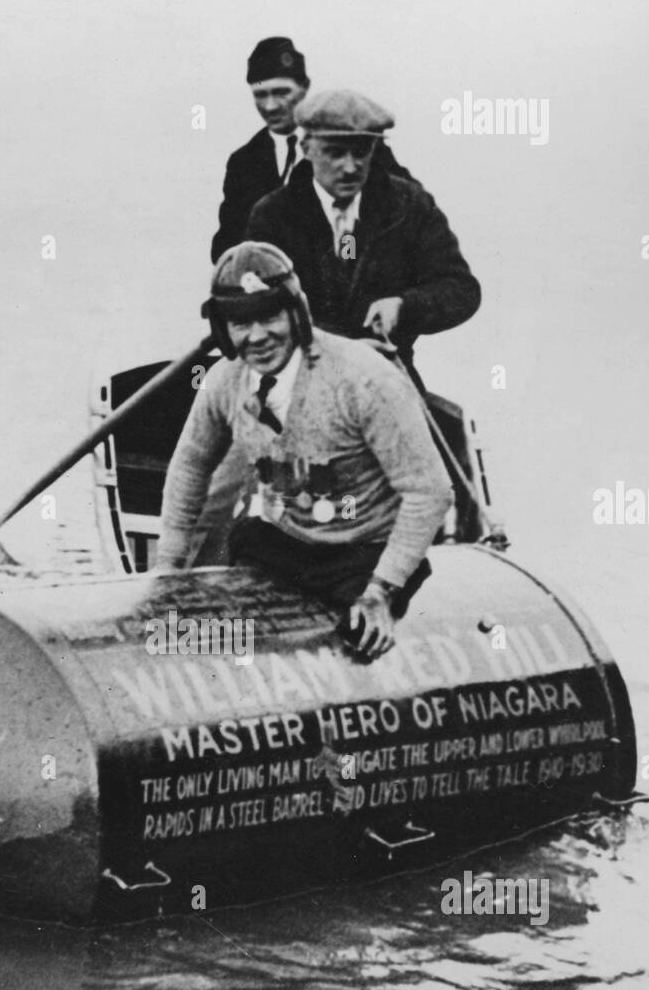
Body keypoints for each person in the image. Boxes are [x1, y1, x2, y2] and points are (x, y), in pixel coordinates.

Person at [158, 242, 453, 660]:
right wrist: (167, 569)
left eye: (270, 316)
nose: (257, 337)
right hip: (287, 543)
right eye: (241, 323)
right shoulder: (225, 382)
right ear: (225, 330)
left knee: (359, 642)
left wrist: (380, 591)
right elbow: (190, 465)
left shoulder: (363, 379)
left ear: (298, 314)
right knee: (230, 606)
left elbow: (430, 491)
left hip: (363, 554)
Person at [245, 90, 480, 380]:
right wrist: (344, 350)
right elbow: (260, 309)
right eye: (335, 152)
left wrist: (404, 305)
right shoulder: (272, 215)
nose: (350, 167)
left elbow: (461, 289)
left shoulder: (410, 205)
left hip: (389, 377)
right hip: (304, 379)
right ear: (306, 147)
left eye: (361, 152)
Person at [211, 40, 413, 262]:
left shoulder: (353, 144)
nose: (270, 106)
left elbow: (407, 208)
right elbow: (227, 243)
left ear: (305, 88)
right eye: (260, 95)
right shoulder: (243, 161)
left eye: (281, 92)